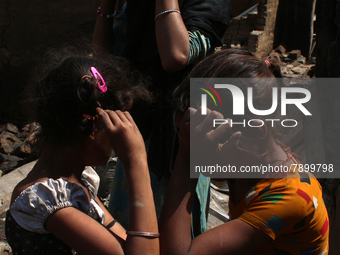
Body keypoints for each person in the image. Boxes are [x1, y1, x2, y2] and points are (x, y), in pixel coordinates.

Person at [159, 49, 329, 255]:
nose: (202, 147)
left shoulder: (289, 198)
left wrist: (187, 158)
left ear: (256, 133)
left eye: (209, 139)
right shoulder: (251, 162)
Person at [92, 0, 233, 233]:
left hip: (182, 139)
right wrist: (106, 5)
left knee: (175, 231)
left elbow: (175, 56)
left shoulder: (207, 4)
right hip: (138, 133)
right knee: (133, 229)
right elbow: (104, 57)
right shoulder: (140, 6)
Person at [5, 51, 159, 255]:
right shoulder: (47, 202)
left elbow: (128, 245)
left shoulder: (77, 183)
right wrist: (137, 162)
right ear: (94, 129)